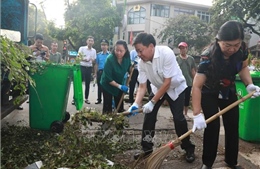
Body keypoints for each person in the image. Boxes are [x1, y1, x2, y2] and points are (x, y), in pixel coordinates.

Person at [191, 21, 260, 169]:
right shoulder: (207, 56)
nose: (232, 49)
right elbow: (197, 86)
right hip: (209, 91)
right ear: (218, 41)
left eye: (235, 45)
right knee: (213, 126)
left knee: (232, 124)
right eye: (227, 45)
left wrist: (249, 84)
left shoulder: (242, 49)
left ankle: (231, 161)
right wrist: (196, 114)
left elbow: (243, 67)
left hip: (228, 90)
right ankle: (207, 163)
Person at [128, 33, 195, 163]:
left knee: (178, 119)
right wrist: (136, 104)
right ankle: (146, 149)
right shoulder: (141, 63)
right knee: (149, 117)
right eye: (137, 52)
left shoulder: (166, 53)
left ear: (151, 46)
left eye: (140, 51)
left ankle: (188, 148)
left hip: (175, 88)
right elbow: (142, 86)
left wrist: (152, 102)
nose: (139, 54)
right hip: (158, 88)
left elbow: (167, 83)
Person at [100, 40, 131, 114]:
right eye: (117, 50)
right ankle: (106, 120)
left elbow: (129, 69)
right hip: (107, 84)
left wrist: (131, 70)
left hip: (119, 82)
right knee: (108, 106)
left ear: (125, 50)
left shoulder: (127, 58)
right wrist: (119, 86)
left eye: (121, 51)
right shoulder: (110, 59)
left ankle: (119, 119)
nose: (118, 53)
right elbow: (108, 78)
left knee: (119, 104)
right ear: (114, 49)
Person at [176, 42, 196, 117]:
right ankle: (179, 113)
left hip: (188, 82)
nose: (182, 50)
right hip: (179, 82)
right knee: (179, 98)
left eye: (183, 48)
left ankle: (186, 113)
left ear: (186, 49)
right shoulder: (177, 58)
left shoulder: (191, 59)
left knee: (187, 98)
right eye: (180, 48)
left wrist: (195, 81)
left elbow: (193, 70)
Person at [77, 36, 97, 104]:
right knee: (79, 83)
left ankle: (86, 98)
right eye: (89, 40)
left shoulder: (94, 50)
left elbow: (94, 61)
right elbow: (78, 57)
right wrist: (84, 59)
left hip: (89, 68)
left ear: (93, 42)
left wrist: (92, 60)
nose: (90, 42)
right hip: (82, 66)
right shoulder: (82, 48)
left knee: (88, 84)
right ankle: (75, 98)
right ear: (87, 41)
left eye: (92, 41)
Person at [94, 39, 110, 104]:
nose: (103, 46)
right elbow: (96, 64)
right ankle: (99, 99)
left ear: (107, 46)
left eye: (105, 45)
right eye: (102, 45)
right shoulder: (98, 55)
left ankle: (106, 99)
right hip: (100, 72)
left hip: (107, 73)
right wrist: (95, 73)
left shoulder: (110, 55)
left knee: (106, 86)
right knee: (99, 86)